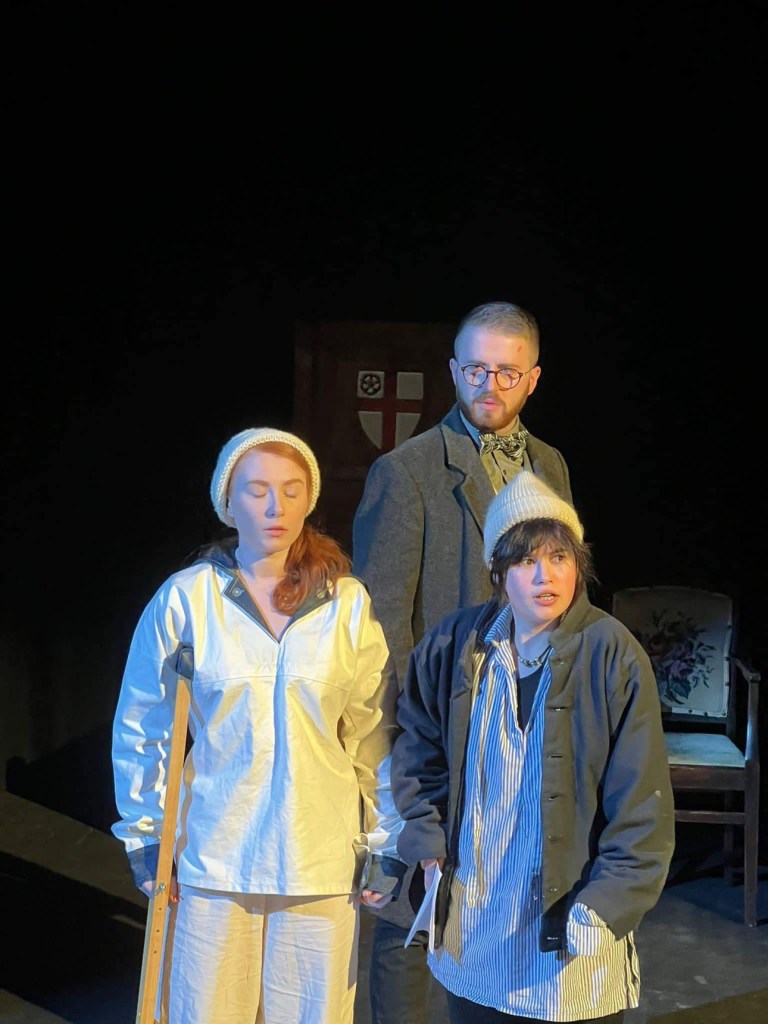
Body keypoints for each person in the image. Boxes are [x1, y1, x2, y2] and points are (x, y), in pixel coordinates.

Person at [111, 427, 406, 1024]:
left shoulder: (345, 603)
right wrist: (146, 835)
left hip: (318, 861)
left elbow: (375, 732)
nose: (276, 507)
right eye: (258, 490)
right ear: (228, 501)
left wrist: (388, 839)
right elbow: (144, 724)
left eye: (292, 491)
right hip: (215, 858)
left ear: (309, 501)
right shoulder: (188, 600)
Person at [351, 300, 573, 1023]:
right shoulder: (406, 471)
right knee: (412, 904)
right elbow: (382, 625)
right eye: (476, 369)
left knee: (502, 903)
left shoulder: (550, 467)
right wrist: (408, 740)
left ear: (532, 378)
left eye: (507, 372)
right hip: (438, 723)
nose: (490, 384)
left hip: (526, 722)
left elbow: (561, 588)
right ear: (453, 370)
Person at [391, 470, 676, 1023]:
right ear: (497, 572)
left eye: (559, 558)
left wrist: (609, 902)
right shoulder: (455, 644)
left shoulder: (611, 653)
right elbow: (418, 749)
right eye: (526, 561)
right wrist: (426, 839)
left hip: (569, 921)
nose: (545, 576)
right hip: (475, 918)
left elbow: (642, 799)